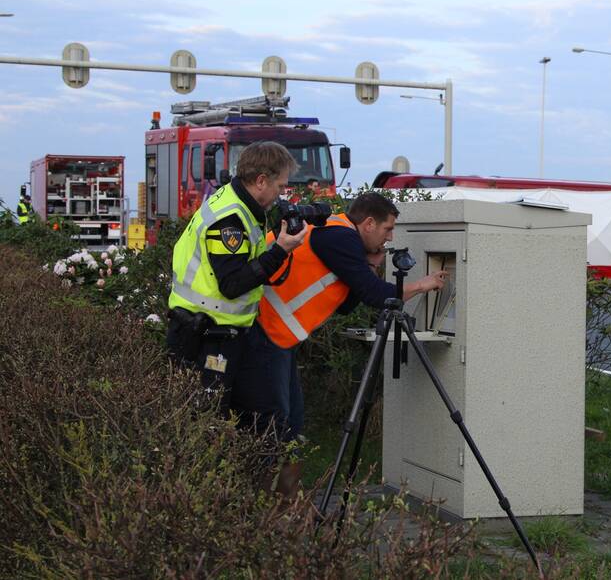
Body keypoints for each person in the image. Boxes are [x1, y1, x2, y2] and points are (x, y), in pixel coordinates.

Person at [233, 191, 447, 499]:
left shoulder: (339, 238)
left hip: (277, 337)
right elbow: (376, 295)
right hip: (263, 334)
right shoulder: (340, 236)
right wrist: (420, 285)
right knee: (272, 424)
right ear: (369, 223)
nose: (389, 239)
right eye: (387, 230)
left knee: (291, 423)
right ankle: (257, 509)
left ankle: (286, 505)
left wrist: (370, 265)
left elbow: (347, 303)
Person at [166, 141, 310, 409]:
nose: (281, 195)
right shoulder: (229, 220)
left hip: (220, 332)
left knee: (241, 417)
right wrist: (279, 250)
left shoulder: (238, 204)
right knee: (205, 421)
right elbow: (232, 284)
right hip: (204, 336)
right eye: (280, 187)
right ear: (261, 181)